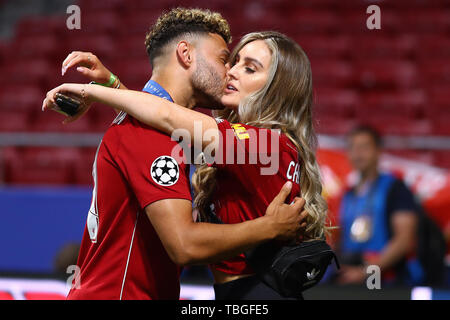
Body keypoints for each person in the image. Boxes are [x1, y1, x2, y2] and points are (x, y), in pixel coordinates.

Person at [42, 8, 307, 300]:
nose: (229, 71)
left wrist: (105, 89)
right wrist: (268, 227)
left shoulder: (259, 143)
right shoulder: (150, 132)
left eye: (247, 67)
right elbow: (184, 244)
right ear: (186, 54)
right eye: (224, 59)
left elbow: (162, 117)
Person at [336, 125, 423, 286]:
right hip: (351, 277)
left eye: (364, 147)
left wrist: (366, 272)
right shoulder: (347, 194)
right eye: (352, 147)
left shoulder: (396, 189)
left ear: (378, 151)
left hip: (384, 279)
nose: (357, 153)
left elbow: (405, 240)